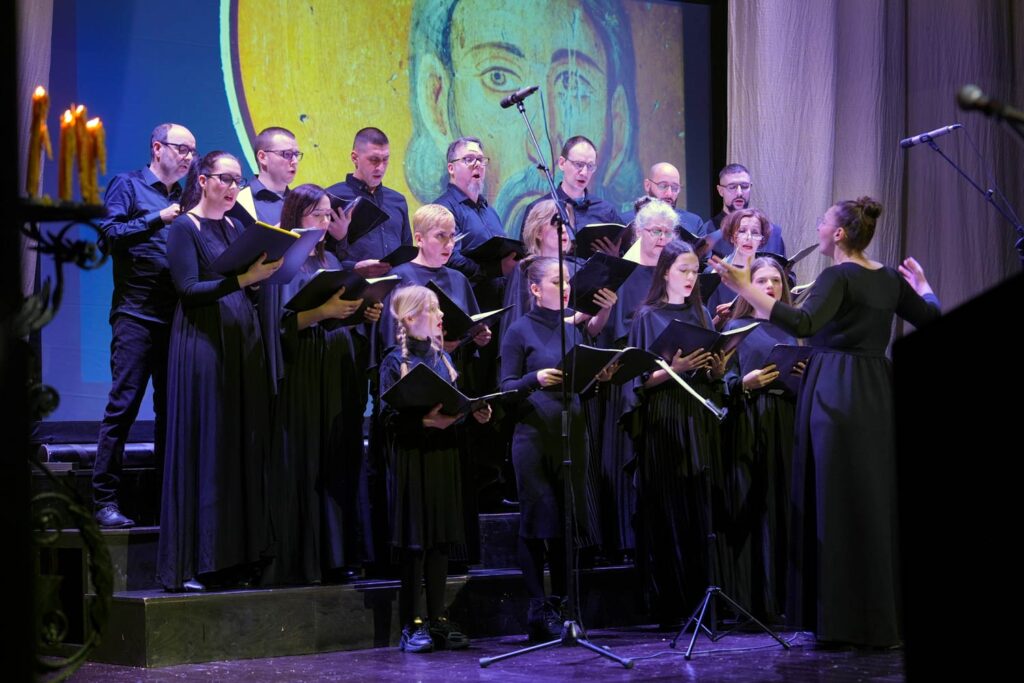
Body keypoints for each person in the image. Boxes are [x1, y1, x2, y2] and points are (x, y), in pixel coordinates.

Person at [712, 196, 940, 647]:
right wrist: (925, 286)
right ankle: (879, 618)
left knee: (834, 501)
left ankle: (842, 621)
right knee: (870, 498)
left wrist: (745, 288)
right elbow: (929, 316)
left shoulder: (838, 275)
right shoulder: (889, 277)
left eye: (822, 222)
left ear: (838, 234)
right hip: (876, 388)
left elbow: (804, 321)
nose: (817, 227)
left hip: (836, 386)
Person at [157, 151, 280, 592]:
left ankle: (238, 557)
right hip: (203, 342)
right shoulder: (184, 227)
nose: (232, 187)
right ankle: (199, 562)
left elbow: (248, 279)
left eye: (237, 180)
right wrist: (243, 280)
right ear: (203, 180)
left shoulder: (235, 225)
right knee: (208, 446)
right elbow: (189, 289)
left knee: (238, 446)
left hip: (241, 336)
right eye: (225, 179)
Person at [405, 0, 642, 229]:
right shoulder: (446, 212)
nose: (542, 150)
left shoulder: (488, 213)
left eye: (572, 84)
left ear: (618, 124)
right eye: (498, 76)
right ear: (435, 100)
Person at [263, 183, 381, 586]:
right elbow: (278, 325)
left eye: (329, 215)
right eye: (318, 214)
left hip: (337, 367)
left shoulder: (330, 258)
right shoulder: (283, 261)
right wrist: (324, 311)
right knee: (307, 460)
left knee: (338, 460)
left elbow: (340, 314)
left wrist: (363, 312)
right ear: (297, 216)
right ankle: (305, 558)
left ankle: (336, 555)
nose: (326, 222)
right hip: (303, 370)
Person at [500, 257, 611, 640]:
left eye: (567, 281)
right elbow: (505, 388)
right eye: (556, 281)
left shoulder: (572, 329)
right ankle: (538, 609)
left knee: (567, 525)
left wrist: (599, 378)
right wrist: (535, 378)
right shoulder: (519, 330)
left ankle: (565, 606)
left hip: (572, 434)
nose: (565, 288)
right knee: (536, 525)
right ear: (534, 289)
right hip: (533, 437)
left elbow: (582, 387)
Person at [93, 122, 196, 528]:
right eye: (181, 149)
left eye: (192, 151)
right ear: (157, 147)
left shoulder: (188, 197)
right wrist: (158, 218)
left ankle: (166, 503)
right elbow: (108, 235)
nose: (188, 157)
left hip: (177, 319)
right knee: (123, 408)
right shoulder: (129, 185)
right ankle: (104, 501)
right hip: (135, 315)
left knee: (171, 412)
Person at [379, 285, 492, 653]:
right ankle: (412, 623)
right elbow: (386, 419)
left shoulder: (443, 358)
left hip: (443, 456)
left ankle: (438, 619)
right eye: (433, 310)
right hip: (413, 459)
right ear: (410, 318)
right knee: (416, 542)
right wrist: (426, 422)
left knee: (440, 541)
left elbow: (456, 403)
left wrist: (474, 412)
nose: (441, 316)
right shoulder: (394, 362)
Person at [627, 239, 732, 627]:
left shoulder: (701, 313)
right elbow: (638, 380)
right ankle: (672, 606)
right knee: (668, 508)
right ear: (665, 272)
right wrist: (677, 369)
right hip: (665, 416)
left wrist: (716, 370)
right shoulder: (647, 316)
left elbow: (711, 372)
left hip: (696, 413)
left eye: (694, 271)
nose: (690, 277)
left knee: (698, 508)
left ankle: (703, 601)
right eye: (683, 270)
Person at [721, 256, 803, 621]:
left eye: (776, 281)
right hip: (749, 420)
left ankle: (788, 599)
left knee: (785, 505)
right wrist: (745, 382)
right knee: (754, 506)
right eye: (762, 280)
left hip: (786, 419)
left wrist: (803, 374)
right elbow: (721, 382)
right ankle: (755, 601)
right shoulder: (735, 328)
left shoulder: (793, 328)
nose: (770, 286)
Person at [326, 126, 412, 278]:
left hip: (396, 286)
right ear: (355, 158)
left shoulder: (397, 200)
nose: (381, 167)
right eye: (374, 160)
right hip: (352, 286)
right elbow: (321, 255)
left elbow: (406, 249)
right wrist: (354, 268)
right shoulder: (332, 197)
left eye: (385, 160)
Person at [519, 136, 624, 249]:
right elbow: (526, 254)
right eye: (579, 164)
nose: (584, 172)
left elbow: (624, 250)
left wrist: (614, 255)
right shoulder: (539, 209)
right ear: (562, 163)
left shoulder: (606, 210)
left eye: (590, 166)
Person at [701, 164, 786, 257]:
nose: (739, 193)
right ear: (720, 190)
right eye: (732, 187)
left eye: (744, 186)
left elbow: (782, 265)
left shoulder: (772, 233)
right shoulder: (708, 232)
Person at [706, 208, 774, 319]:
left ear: (761, 240)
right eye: (742, 231)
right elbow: (707, 325)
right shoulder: (715, 273)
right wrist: (724, 316)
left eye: (755, 233)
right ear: (732, 237)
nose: (749, 237)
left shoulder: (767, 273)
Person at [228, 126, 301, 227]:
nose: (295, 161)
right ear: (262, 157)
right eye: (287, 154)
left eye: (296, 155)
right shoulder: (239, 201)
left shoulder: (300, 201)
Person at [621, 162, 704, 239]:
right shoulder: (625, 222)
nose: (669, 194)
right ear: (647, 185)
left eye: (675, 188)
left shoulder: (694, 223)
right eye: (663, 186)